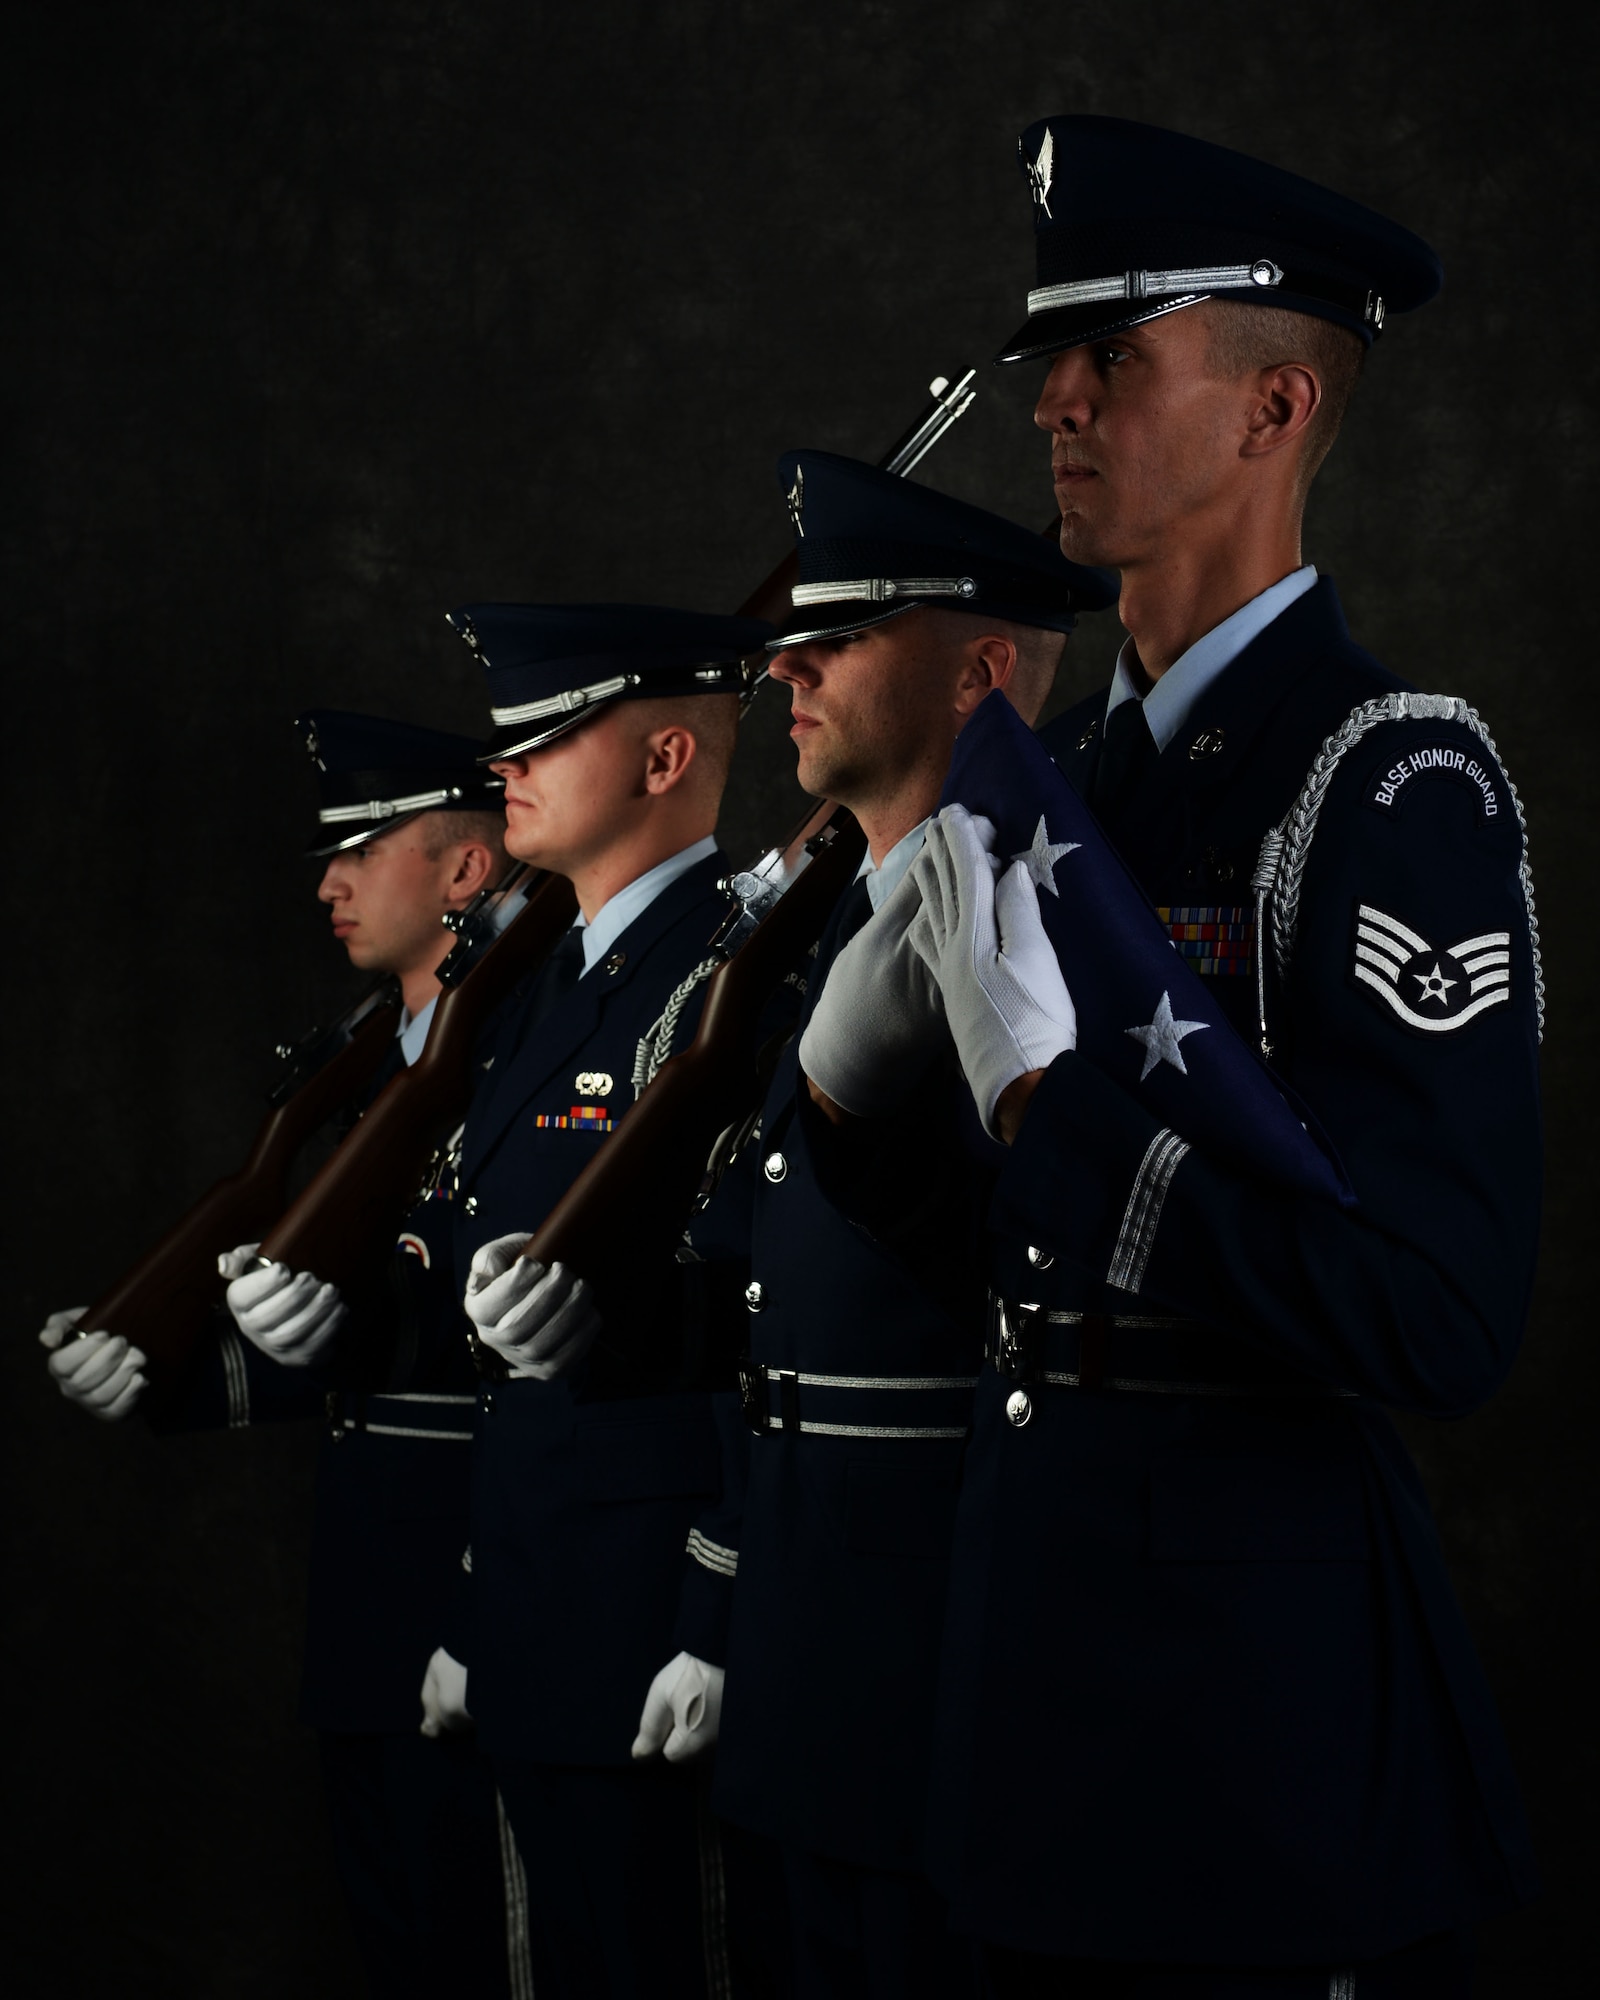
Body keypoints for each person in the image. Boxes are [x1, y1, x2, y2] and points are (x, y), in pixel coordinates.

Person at [813, 115, 1543, 1997]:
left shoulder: (1387, 776)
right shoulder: (1075, 793)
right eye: (1059, 356)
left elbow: (1435, 1319)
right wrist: (852, 1105)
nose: (1052, 396)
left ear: (1275, 411)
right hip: (1037, 1668)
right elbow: (1017, 1270)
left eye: (1117, 356)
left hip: (1251, 1714)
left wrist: (1054, 1112)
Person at [40, 712, 532, 1998]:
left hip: (491, 1579)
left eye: (361, 849)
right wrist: (165, 1367)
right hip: (369, 1598)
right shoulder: (370, 1061)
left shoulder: (532, 1053)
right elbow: (350, 1345)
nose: (328, 882)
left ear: (465, 871)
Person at [711, 451, 1115, 1998]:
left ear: (982, 673)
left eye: (847, 631)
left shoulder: (1059, 939)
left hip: (938, 1663)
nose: (786, 667)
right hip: (800, 1657)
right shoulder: (817, 937)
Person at [426, 602, 793, 1999]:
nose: (506, 761)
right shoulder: (545, 990)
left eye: (552, 732)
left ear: (663, 759)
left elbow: (766, 1313)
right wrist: (479, 1600)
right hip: (534, 1592)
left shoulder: (738, 980)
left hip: (653, 1616)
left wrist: (714, 1609)